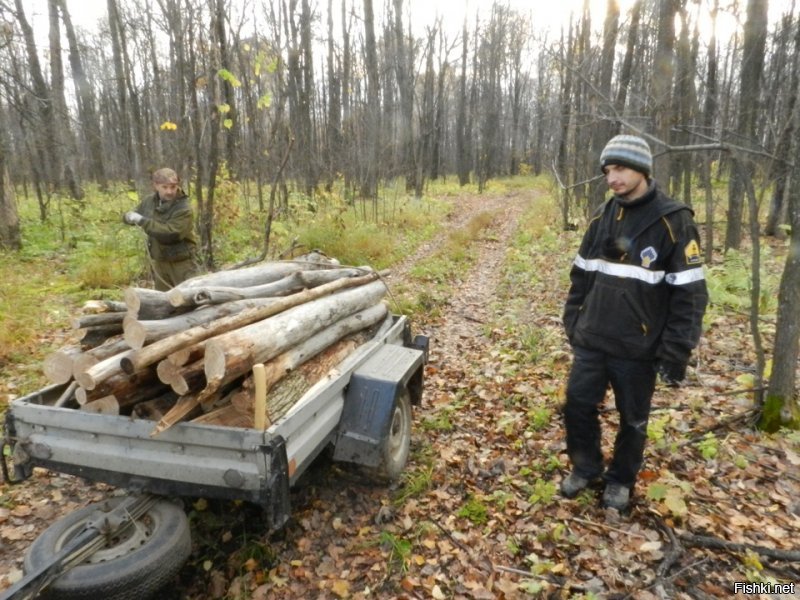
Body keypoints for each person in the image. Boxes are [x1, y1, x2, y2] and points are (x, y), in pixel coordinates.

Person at [560, 134, 708, 511]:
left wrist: (676, 351)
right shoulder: (603, 215)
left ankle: (621, 479)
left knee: (633, 420)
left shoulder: (673, 220)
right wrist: (573, 322)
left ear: (642, 169)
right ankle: (585, 467)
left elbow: (689, 294)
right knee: (577, 405)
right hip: (593, 339)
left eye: (621, 169)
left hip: (638, 347)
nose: (612, 178)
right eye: (608, 171)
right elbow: (582, 275)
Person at [124, 168, 199, 291]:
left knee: (188, 300)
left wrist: (142, 220)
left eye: (173, 187)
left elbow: (172, 233)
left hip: (181, 263)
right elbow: (135, 214)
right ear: (155, 186)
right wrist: (128, 217)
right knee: (163, 302)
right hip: (159, 262)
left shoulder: (183, 208)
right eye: (165, 187)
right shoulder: (149, 201)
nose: (169, 191)